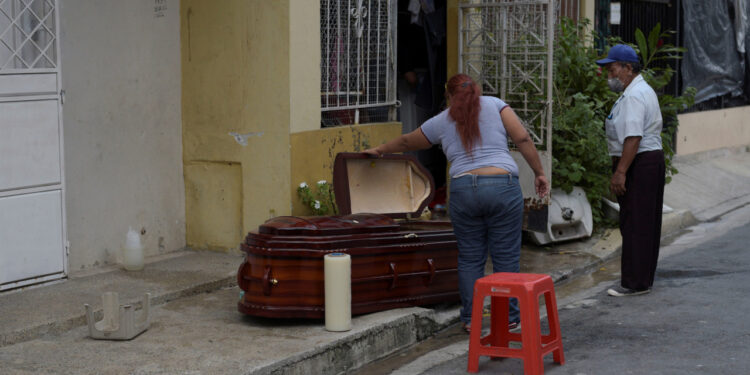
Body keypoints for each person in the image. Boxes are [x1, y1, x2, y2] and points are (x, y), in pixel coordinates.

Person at [363, 74, 549, 332]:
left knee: (471, 258)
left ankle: (472, 320)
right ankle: (509, 319)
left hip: (463, 189)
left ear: (449, 96)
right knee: (505, 258)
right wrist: (539, 172)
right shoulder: (495, 105)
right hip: (501, 186)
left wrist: (380, 150)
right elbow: (523, 139)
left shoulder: (443, 119)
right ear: (477, 91)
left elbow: (407, 141)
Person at [596, 44, 665, 297]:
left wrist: (620, 172)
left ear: (627, 68)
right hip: (648, 160)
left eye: (612, 69)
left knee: (636, 222)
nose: (609, 75)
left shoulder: (634, 96)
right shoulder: (639, 90)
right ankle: (642, 279)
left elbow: (633, 137)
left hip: (639, 162)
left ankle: (634, 282)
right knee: (645, 222)